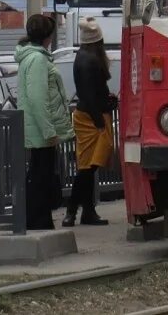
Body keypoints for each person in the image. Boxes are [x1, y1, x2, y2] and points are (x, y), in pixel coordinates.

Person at [15, 14, 74, 230]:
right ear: (47, 37)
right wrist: (49, 130)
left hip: (34, 128)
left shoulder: (29, 57)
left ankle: (37, 219)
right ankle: (38, 220)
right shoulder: (38, 60)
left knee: (38, 174)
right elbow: (38, 98)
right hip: (41, 131)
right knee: (42, 175)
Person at [64, 17, 117, 227]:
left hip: (88, 115)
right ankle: (73, 211)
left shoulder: (83, 57)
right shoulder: (92, 60)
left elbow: (90, 92)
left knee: (88, 167)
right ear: (99, 41)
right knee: (87, 168)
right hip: (92, 118)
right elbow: (89, 94)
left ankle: (87, 211)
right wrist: (99, 121)